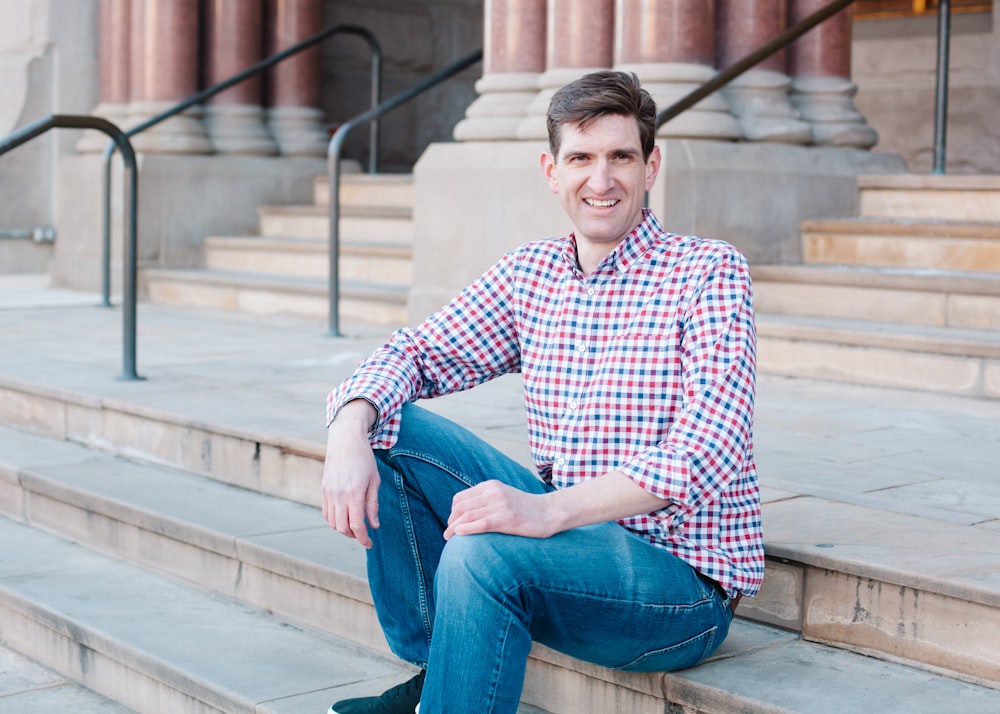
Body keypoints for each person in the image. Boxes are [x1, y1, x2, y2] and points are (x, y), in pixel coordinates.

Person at [321, 70, 764, 714]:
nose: (601, 179)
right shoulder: (532, 274)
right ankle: (439, 670)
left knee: (482, 551)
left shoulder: (707, 271)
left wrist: (546, 512)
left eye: (621, 157)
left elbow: (707, 447)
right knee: (387, 427)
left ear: (652, 165)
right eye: (581, 158)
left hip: (679, 585)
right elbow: (414, 352)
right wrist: (347, 428)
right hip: (571, 541)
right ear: (552, 171)